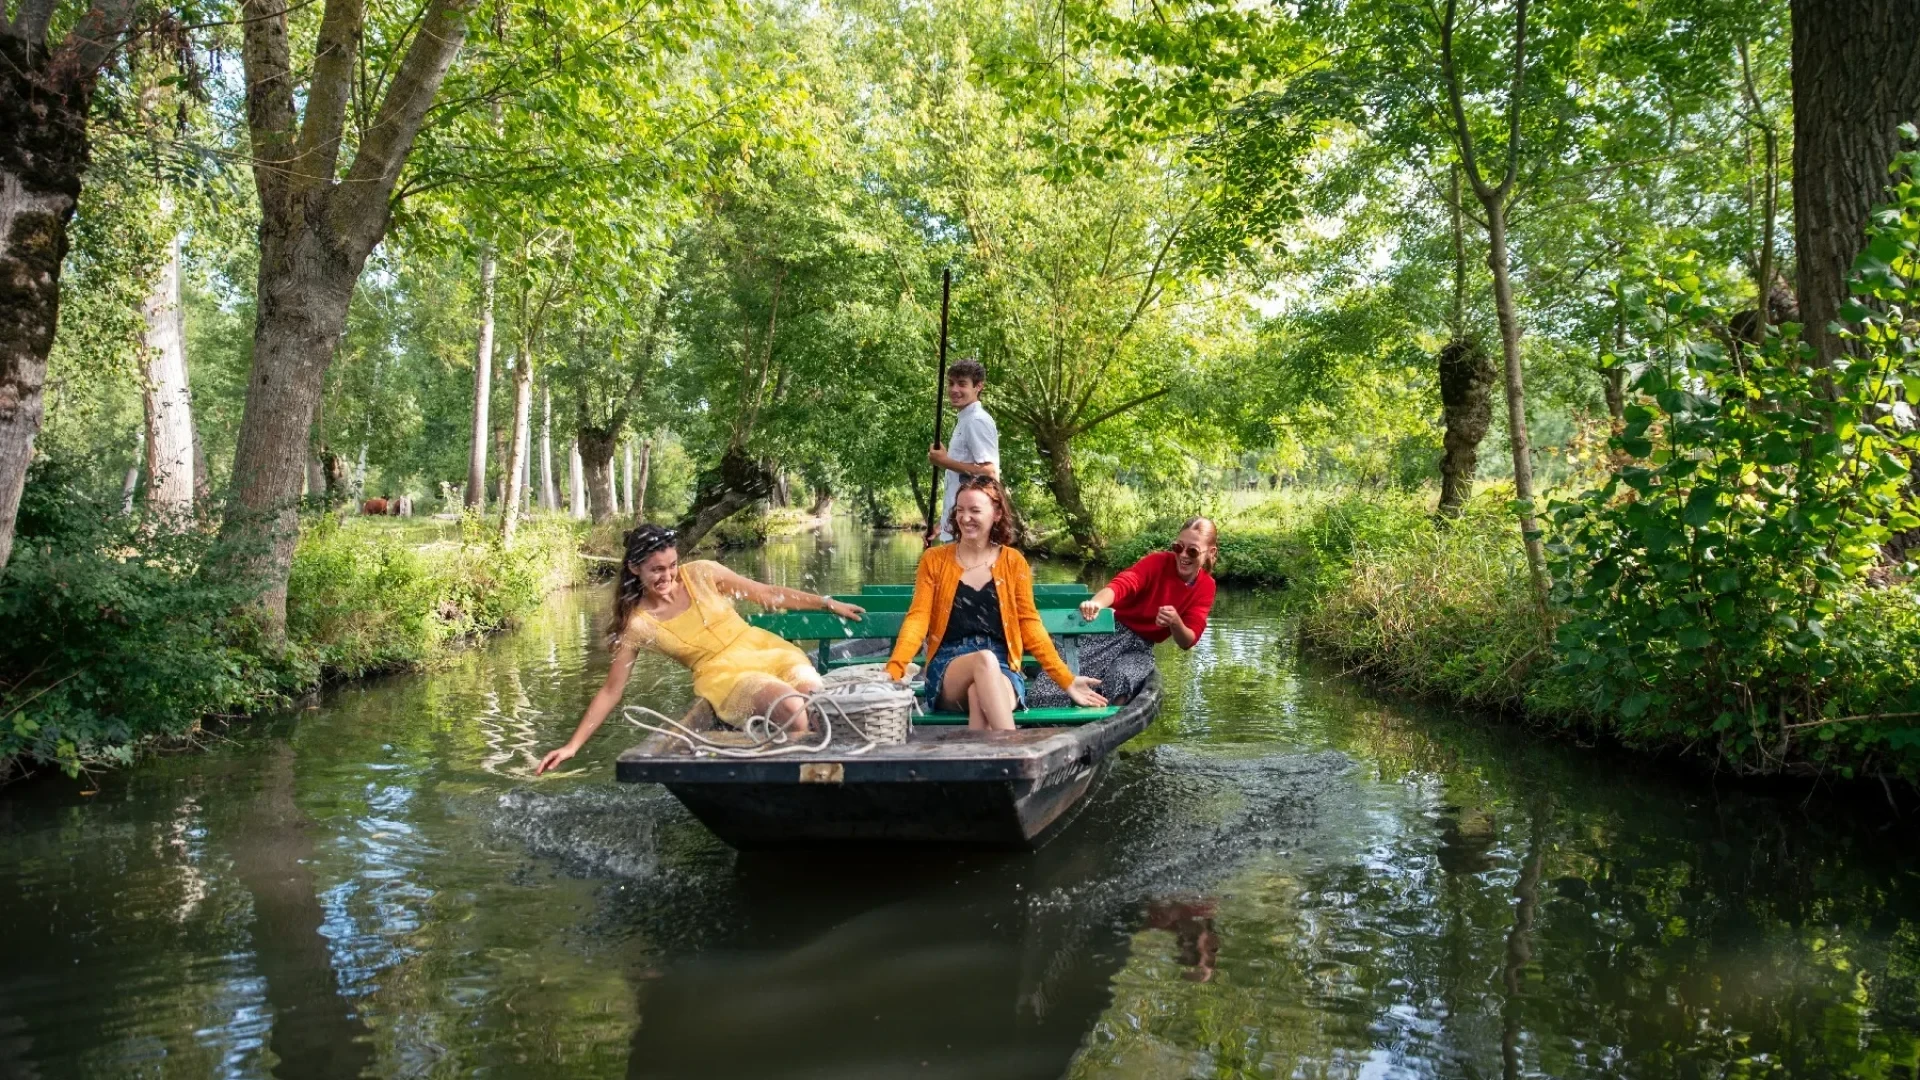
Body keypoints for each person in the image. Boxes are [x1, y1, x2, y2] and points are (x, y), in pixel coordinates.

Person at [535, 525, 865, 774]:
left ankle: (832, 781)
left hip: (769, 651)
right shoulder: (637, 624)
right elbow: (611, 690)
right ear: (635, 569)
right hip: (727, 678)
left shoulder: (703, 574)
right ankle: (797, 792)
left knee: (821, 706)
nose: (668, 576)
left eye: (672, 565)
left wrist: (826, 603)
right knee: (793, 710)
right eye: (657, 570)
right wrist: (572, 746)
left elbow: (767, 593)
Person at [886, 477, 1106, 730]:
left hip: (1004, 667)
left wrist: (1066, 680)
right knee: (984, 661)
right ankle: (1016, 758)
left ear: (997, 513)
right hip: (949, 666)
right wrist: (895, 668)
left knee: (980, 694)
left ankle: (983, 764)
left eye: (975, 510)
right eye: (960, 510)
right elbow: (918, 618)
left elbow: (1029, 625)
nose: (965, 517)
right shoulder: (934, 560)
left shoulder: (1013, 562)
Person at [1028, 517, 1217, 708]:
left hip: (1140, 648)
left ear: (1210, 552)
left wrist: (1176, 622)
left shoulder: (1206, 587)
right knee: (1048, 691)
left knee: (1122, 677)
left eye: (1192, 551)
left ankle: (1105, 721)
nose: (1183, 555)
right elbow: (1124, 584)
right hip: (1108, 635)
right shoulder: (1157, 562)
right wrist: (1097, 604)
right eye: (1178, 547)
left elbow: (1188, 640)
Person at [928, 358, 1000, 543]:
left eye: (962, 384)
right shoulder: (965, 420)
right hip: (956, 527)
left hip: (968, 530)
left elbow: (990, 472)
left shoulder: (976, 421)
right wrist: (939, 525)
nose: (954, 390)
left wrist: (944, 461)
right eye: (951, 383)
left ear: (978, 386)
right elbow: (961, 482)